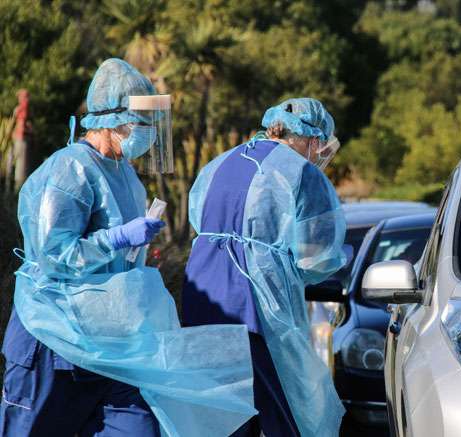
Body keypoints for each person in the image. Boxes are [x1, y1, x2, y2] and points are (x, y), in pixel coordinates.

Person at [3, 58, 256, 437]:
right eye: (141, 122)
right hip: (53, 337)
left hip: (109, 340)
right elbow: (56, 258)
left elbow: (115, 257)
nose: (148, 133)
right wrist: (119, 238)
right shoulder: (67, 171)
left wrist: (135, 254)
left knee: (137, 428)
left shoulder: (125, 176)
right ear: (111, 118)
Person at [183, 97, 347, 437]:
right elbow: (317, 256)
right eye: (321, 148)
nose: (320, 156)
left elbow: (199, 221)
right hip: (255, 304)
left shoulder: (218, 163)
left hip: (200, 295)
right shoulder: (301, 171)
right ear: (314, 140)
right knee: (280, 409)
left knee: (222, 414)